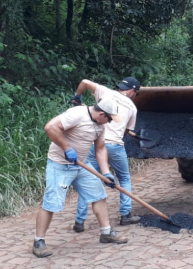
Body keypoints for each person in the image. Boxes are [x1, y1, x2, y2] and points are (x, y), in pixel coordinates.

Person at [33, 97, 129, 258]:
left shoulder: (100, 126)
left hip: (82, 165)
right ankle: (38, 242)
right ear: (101, 114)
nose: (109, 122)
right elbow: (50, 127)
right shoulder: (76, 114)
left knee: (99, 195)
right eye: (109, 118)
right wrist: (66, 148)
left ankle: (106, 233)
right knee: (51, 203)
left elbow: (100, 149)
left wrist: (106, 172)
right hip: (60, 165)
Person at [69, 77, 142, 231]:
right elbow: (127, 132)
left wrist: (77, 97)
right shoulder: (132, 108)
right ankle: (126, 215)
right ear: (133, 91)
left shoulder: (106, 92)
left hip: (96, 144)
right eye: (136, 93)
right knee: (124, 178)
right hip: (115, 145)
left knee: (87, 179)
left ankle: (79, 221)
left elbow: (84, 82)